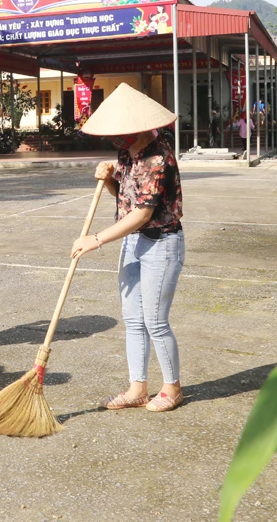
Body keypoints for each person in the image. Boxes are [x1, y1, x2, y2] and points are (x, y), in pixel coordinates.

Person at [69, 83, 185, 413]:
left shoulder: (157, 158)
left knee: (155, 320)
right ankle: (138, 388)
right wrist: (107, 178)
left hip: (162, 243)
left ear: (136, 129)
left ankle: (172, 388)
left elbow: (143, 213)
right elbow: (124, 195)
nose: (116, 140)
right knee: (133, 318)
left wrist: (96, 239)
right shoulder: (128, 151)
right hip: (134, 242)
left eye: (122, 134)